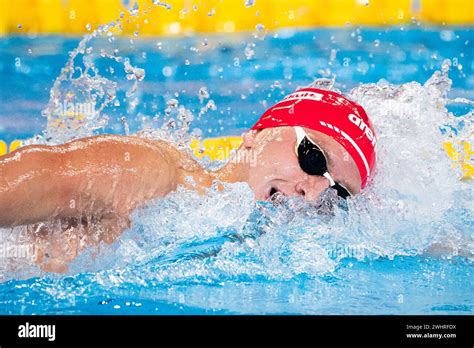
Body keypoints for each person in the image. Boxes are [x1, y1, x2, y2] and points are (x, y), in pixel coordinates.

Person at [0, 87, 377, 272]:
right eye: (313, 158)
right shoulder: (154, 173)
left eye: (337, 193)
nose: (311, 194)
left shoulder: (250, 251)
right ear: (258, 133)